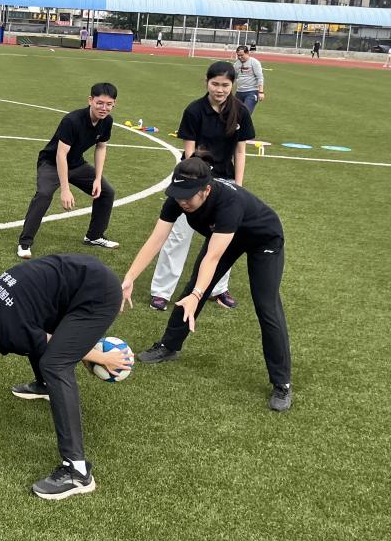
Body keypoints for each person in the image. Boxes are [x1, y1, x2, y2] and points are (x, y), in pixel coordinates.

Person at [0, 254, 131, 499]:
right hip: (82, 278)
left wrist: (100, 358)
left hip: (97, 294)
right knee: (36, 342)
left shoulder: (9, 330)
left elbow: (50, 342)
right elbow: (33, 333)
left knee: (55, 364)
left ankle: (77, 471)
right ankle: (44, 386)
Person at [122, 155, 292, 411]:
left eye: (188, 197)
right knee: (193, 288)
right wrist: (130, 277)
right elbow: (156, 239)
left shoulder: (229, 202)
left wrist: (198, 294)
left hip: (263, 239)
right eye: (178, 195)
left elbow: (212, 257)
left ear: (206, 190)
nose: (182, 201)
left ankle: (282, 383)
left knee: (266, 306)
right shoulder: (177, 199)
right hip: (224, 236)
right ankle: (169, 346)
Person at [149, 60, 253, 312]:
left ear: (232, 85)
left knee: (223, 239)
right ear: (206, 82)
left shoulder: (240, 111)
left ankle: (218, 289)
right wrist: (195, 185)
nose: (220, 89)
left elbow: (240, 151)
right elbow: (190, 154)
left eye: (225, 85)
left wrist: (238, 186)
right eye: (215, 84)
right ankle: (161, 292)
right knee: (179, 235)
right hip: (193, 181)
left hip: (225, 183)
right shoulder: (194, 110)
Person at [16, 83, 120, 259]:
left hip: (76, 164)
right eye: (100, 103)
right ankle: (24, 243)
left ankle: (94, 236)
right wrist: (65, 189)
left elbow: (101, 147)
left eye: (109, 104)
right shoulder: (72, 120)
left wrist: (97, 178)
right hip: (51, 163)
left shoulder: (107, 121)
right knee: (44, 194)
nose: (104, 108)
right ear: (90, 100)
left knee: (107, 192)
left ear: (114, 104)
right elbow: (60, 154)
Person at [233, 45, 265, 113]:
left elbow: (260, 77)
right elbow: (234, 78)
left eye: (242, 55)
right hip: (239, 92)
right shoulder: (236, 64)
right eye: (238, 55)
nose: (240, 57)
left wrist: (261, 92)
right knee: (234, 113)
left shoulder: (254, 62)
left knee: (246, 112)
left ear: (247, 53)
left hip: (251, 92)